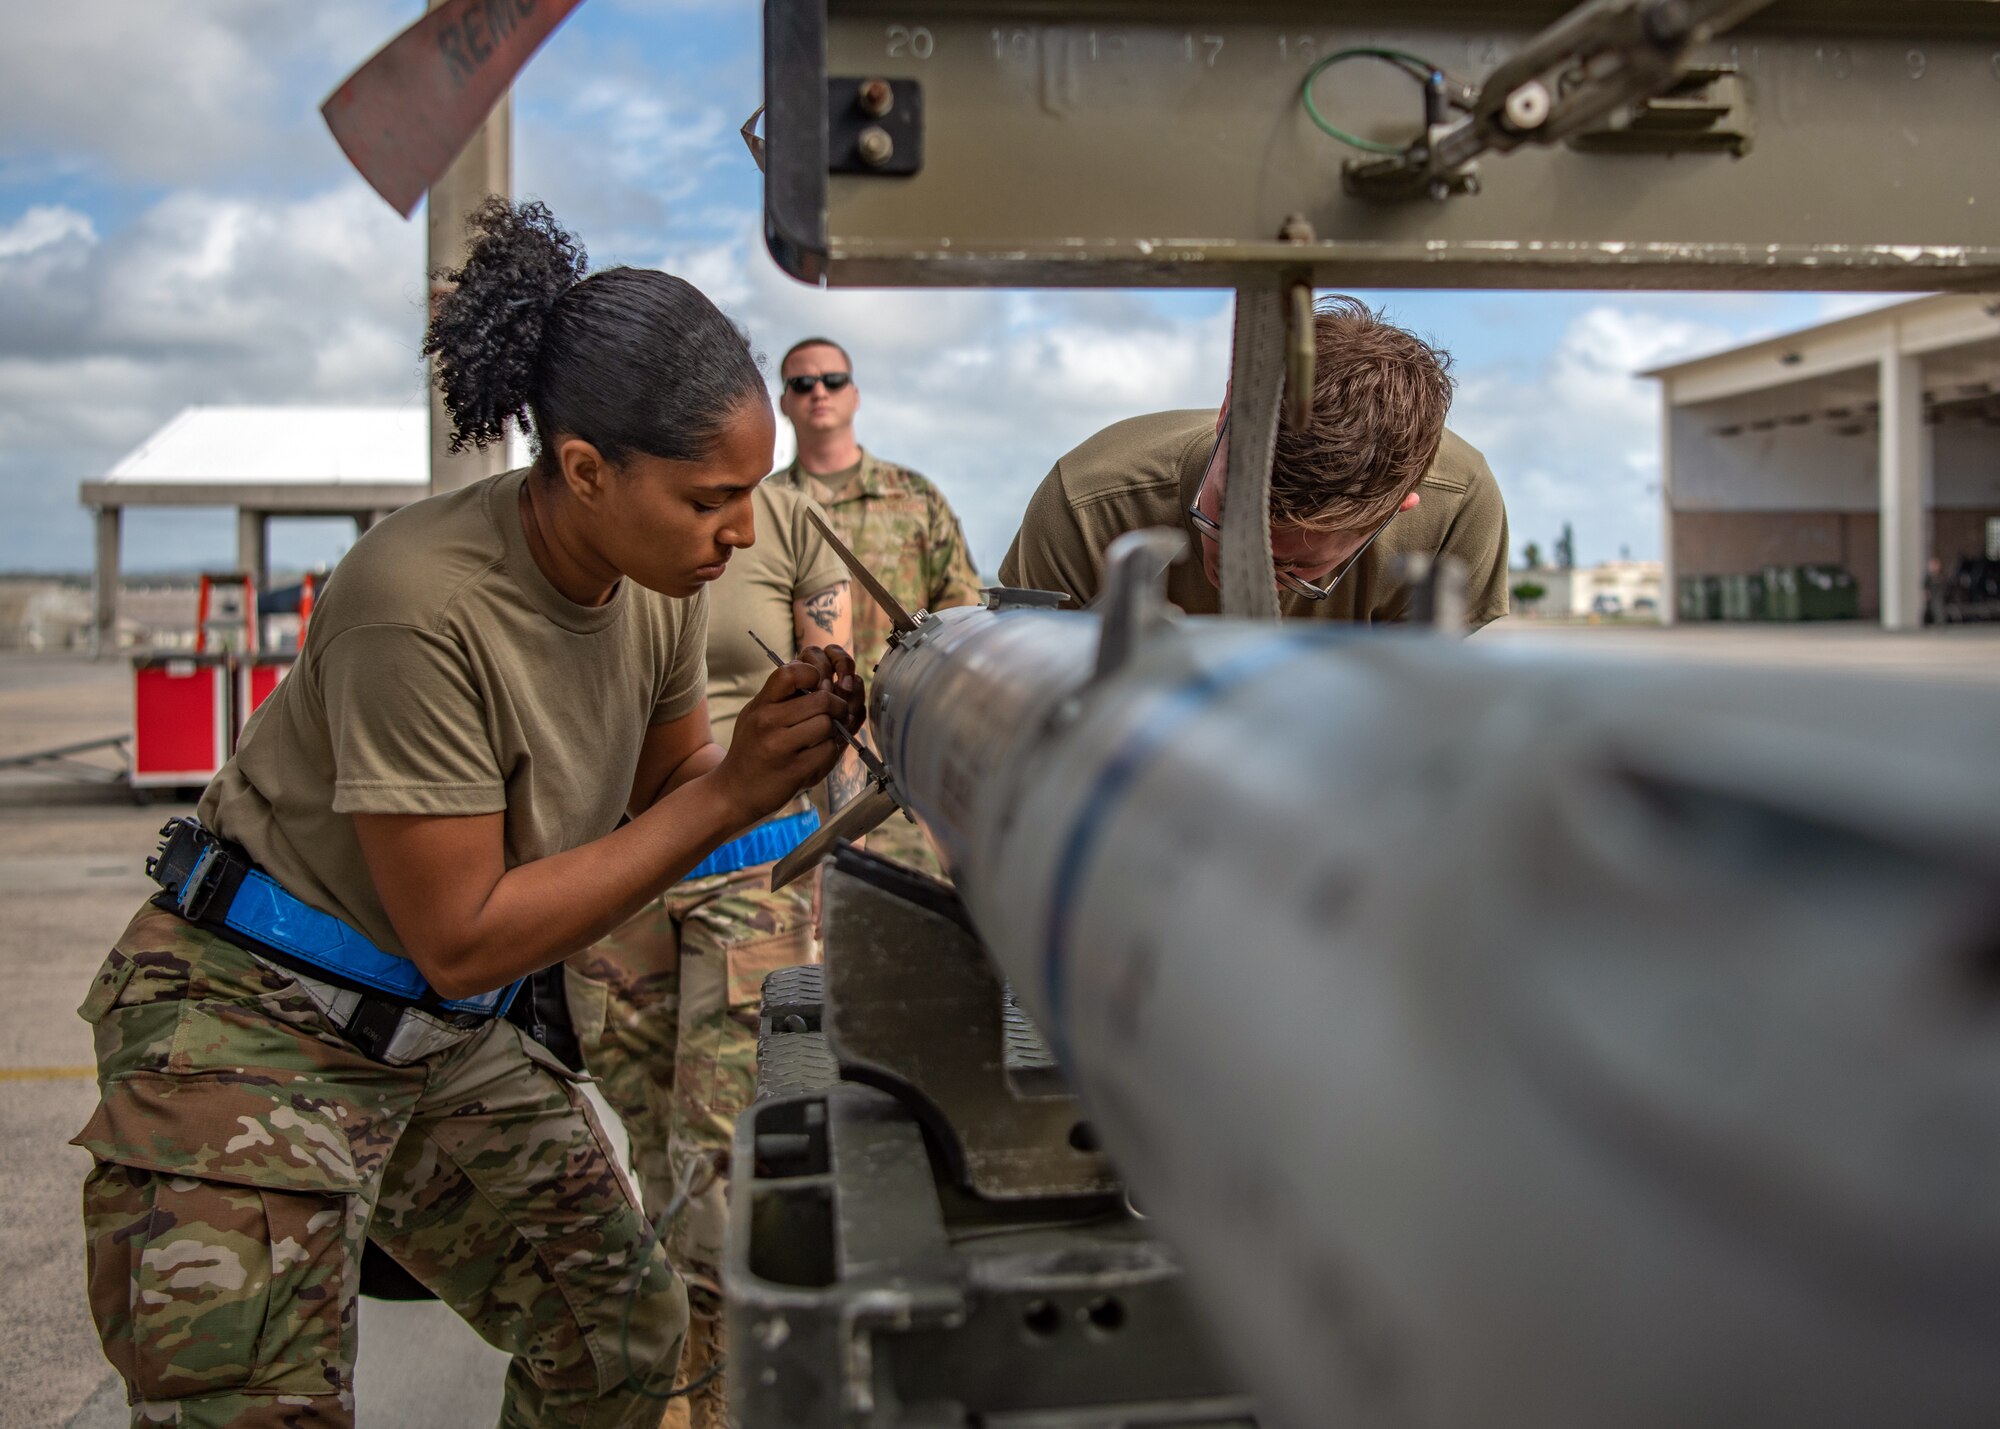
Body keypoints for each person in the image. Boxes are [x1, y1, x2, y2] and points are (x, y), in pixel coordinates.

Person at [68, 198, 863, 1429]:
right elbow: (467, 932)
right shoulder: (418, 602)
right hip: (253, 1019)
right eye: (712, 496)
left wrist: (767, 750)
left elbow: (661, 803)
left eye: (750, 491)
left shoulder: (653, 587)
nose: (742, 532)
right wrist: (729, 791)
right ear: (588, 470)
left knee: (621, 1338)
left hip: (433, 1033)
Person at [566, 476, 852, 1428]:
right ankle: (674, 1386)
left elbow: (832, 692)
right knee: (655, 1156)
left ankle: (730, 1402)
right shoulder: (576, 521)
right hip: (612, 874)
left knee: (735, 1167)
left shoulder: (783, 520)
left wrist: (831, 859)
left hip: (755, 874)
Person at [1000, 297, 1511, 629]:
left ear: (1400, 509)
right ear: (1227, 411)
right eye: (1219, 521)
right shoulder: (1089, 507)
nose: (1248, 580)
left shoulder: (1457, 512)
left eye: (1296, 569)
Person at [768, 337, 982, 875]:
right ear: (785, 402)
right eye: (802, 383)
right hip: (795, 786)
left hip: (903, 776)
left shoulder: (915, 499)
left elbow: (964, 627)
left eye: (833, 381)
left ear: (855, 395)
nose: (819, 392)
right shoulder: (763, 510)